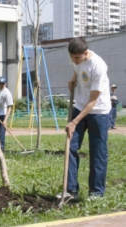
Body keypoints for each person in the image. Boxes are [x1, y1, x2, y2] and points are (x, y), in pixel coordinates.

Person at [56, 38, 111, 200]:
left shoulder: (98, 67)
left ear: (86, 53)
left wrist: (74, 121)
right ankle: (70, 190)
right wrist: (74, 78)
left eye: (77, 58)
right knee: (70, 146)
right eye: (71, 57)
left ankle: (96, 193)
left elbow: (93, 100)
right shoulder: (75, 58)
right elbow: (77, 67)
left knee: (98, 152)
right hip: (80, 106)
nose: (74, 60)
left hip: (98, 111)